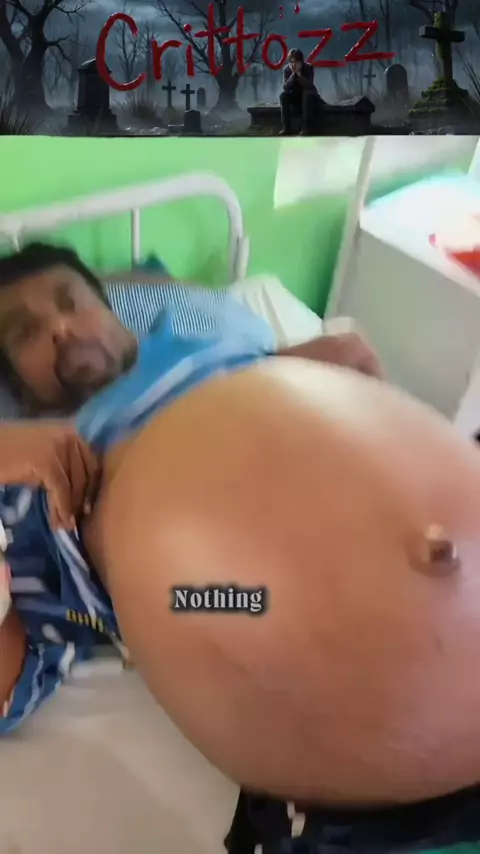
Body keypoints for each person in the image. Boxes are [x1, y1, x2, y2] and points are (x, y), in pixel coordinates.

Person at [3, 241, 480, 854]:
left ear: (115, 310)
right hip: (221, 603)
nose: (61, 328)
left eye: (72, 302)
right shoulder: (43, 460)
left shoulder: (218, 342)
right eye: (25, 332)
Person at [279, 48, 323, 136]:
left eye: (296, 62)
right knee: (283, 95)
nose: (293, 65)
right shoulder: (286, 70)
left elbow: (309, 86)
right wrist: (293, 75)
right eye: (291, 62)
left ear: (301, 61)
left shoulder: (308, 68)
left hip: (309, 98)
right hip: (295, 97)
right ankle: (286, 128)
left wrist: (299, 75)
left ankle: (305, 127)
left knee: (306, 94)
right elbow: (286, 87)